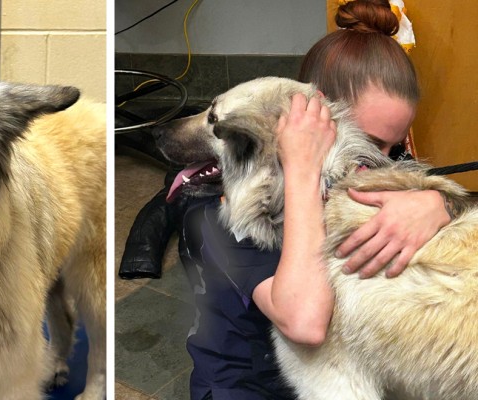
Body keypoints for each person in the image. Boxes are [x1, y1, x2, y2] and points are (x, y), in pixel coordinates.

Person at [182, 1, 459, 399]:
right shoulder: (226, 207)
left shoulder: (373, 164)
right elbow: (306, 322)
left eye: (393, 146)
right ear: (310, 117)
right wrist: (303, 170)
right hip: (249, 386)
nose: (380, 162)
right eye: (370, 143)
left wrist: (438, 203)